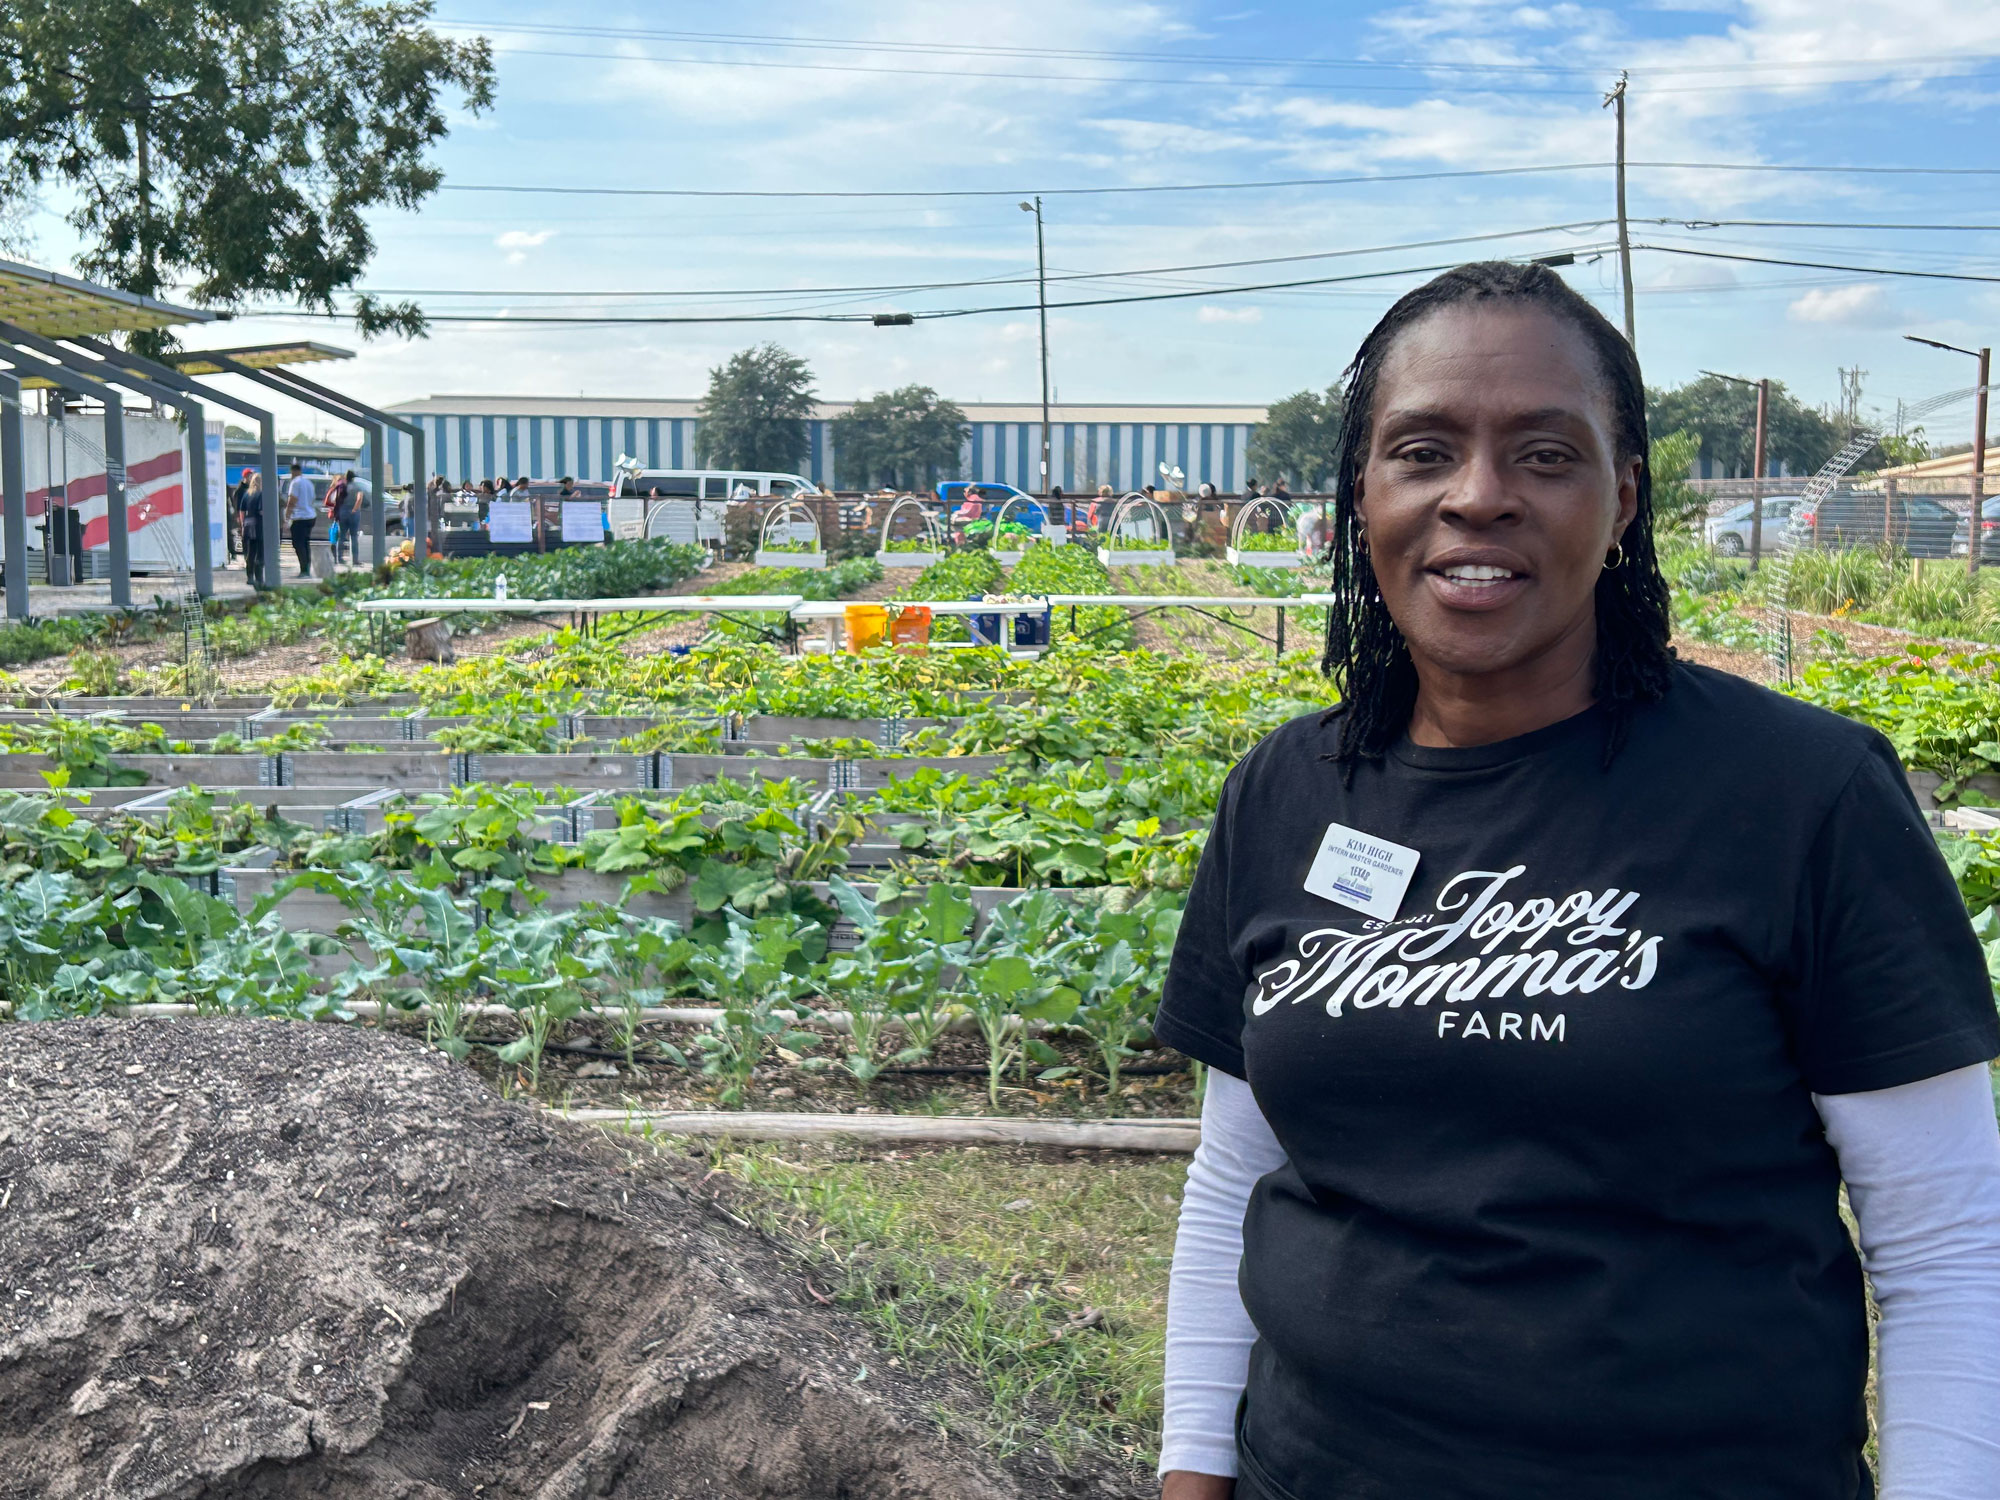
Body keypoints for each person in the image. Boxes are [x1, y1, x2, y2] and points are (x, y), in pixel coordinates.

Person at [1154, 261, 2000, 1500]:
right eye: (1422, 450)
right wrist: (1190, 1473)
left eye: (1545, 455)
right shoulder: (1286, 790)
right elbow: (1235, 1168)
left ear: (1621, 503)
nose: (1476, 498)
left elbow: (1940, 1240)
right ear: (1361, 494)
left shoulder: (1799, 796)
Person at [285, 463, 317, 579]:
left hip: (300, 517)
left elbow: (292, 500)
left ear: (293, 471)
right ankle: (306, 569)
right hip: (310, 516)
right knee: (305, 543)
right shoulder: (308, 482)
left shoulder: (295, 482)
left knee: (298, 544)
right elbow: (312, 498)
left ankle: (304, 570)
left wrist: (287, 517)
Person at [239, 472, 265, 589]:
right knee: (260, 552)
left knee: (250, 552)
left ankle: (249, 577)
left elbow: (242, 511)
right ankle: (259, 578)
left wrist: (243, 525)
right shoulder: (261, 494)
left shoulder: (246, 494)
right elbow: (262, 511)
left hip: (248, 525)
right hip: (259, 525)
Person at [329, 469, 359, 566]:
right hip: (353, 514)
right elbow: (360, 499)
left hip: (342, 513)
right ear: (353, 478)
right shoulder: (357, 487)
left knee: (341, 536)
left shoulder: (341, 486)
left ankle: (339, 558)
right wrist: (355, 509)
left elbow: (334, 499)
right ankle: (355, 560)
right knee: (353, 536)